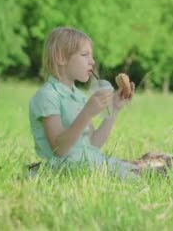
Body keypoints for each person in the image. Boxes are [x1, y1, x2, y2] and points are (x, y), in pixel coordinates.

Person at [28, 27, 137, 178]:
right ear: (61, 57)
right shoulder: (48, 96)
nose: (92, 61)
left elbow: (93, 144)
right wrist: (87, 113)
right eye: (85, 55)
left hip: (87, 162)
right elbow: (59, 149)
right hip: (65, 168)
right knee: (131, 175)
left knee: (133, 169)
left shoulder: (78, 96)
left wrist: (114, 109)